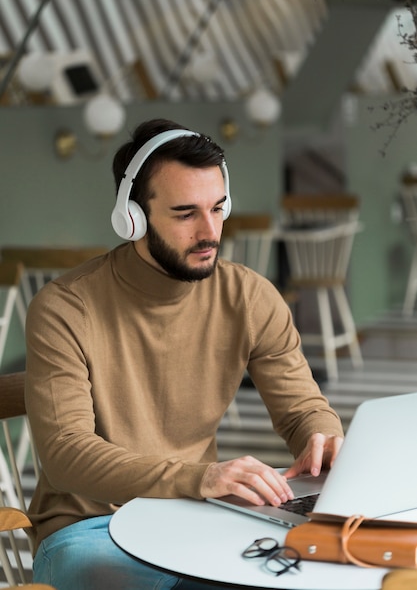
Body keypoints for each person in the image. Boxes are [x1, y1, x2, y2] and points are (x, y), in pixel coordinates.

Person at [25, 118, 344, 590]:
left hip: (196, 516)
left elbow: (303, 409)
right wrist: (200, 478)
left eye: (217, 208)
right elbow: (65, 454)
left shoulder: (250, 296)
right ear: (131, 217)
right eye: (185, 213)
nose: (209, 230)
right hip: (90, 530)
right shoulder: (65, 307)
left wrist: (323, 436)